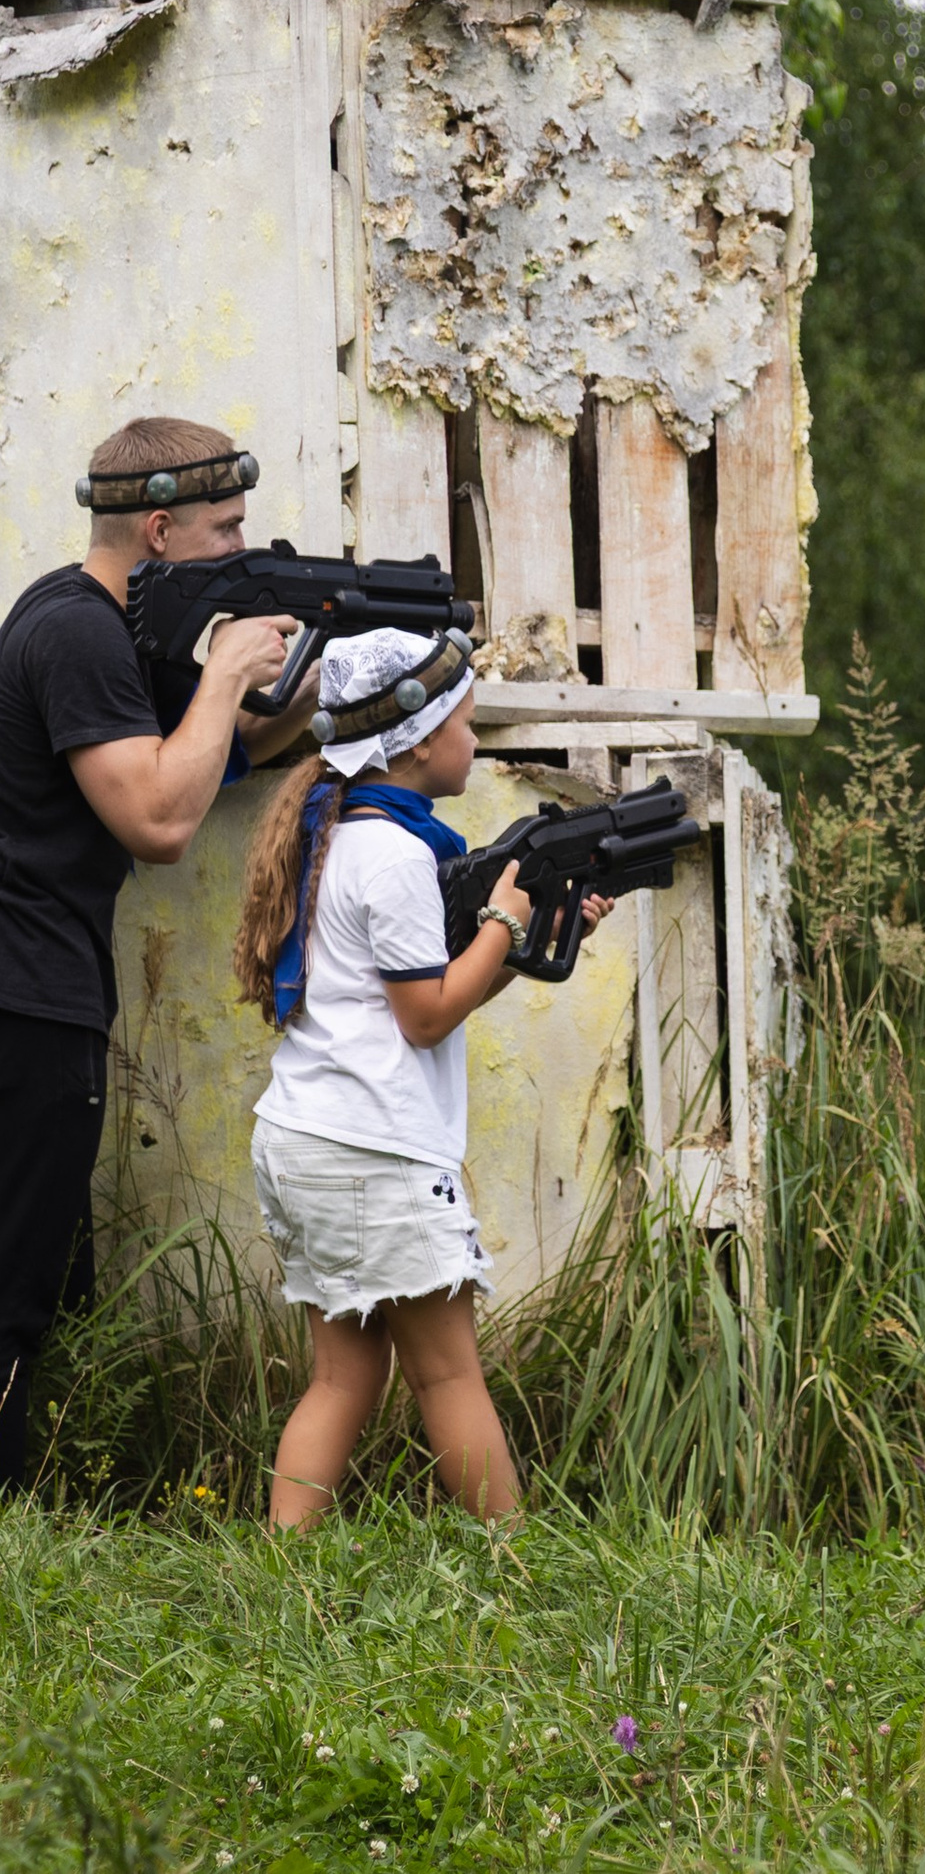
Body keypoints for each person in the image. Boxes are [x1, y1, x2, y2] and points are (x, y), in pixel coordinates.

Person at [231, 627, 609, 1527]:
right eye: (469, 724)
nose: (475, 744)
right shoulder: (397, 858)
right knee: (447, 1371)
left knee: (343, 1374)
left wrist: (530, 942)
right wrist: (504, 926)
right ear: (419, 739)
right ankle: (513, 1565)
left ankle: (283, 1574)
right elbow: (427, 1014)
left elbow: (432, 990)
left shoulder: (343, 837)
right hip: (373, 1153)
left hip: (307, 1140)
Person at [0, 416, 301, 1492]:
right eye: (227, 530)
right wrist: (225, 673)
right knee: (14, 1287)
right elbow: (159, 819)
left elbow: (193, 760)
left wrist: (301, 687)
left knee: (44, 1272)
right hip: (27, 997)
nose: (241, 549)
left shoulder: (101, 627)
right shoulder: (77, 633)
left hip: (41, 987)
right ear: (161, 530)